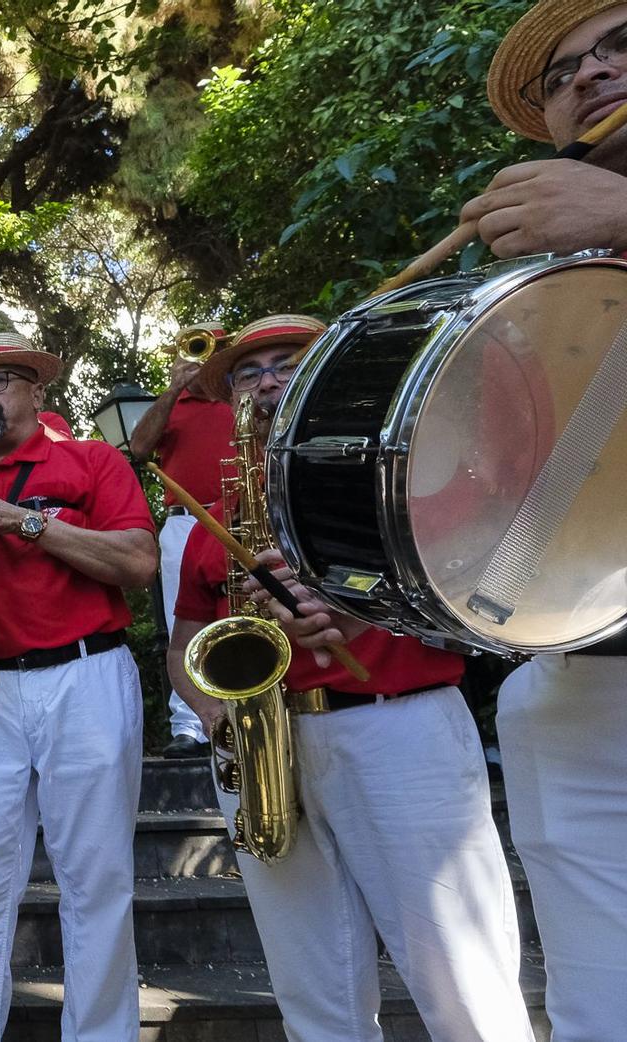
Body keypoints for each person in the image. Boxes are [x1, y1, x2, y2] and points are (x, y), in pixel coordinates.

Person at [267, 8, 627, 1036]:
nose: (589, 72)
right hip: (576, 685)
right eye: (560, 72)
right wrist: (379, 587)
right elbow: (488, 513)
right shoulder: (547, 294)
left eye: (616, 43)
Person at [167, 316, 535, 1042]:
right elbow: (183, 645)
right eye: (248, 371)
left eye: (286, 363)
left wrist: (347, 610)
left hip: (397, 727)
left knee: (464, 977)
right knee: (313, 989)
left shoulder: (405, 479)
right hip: (266, 741)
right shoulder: (217, 519)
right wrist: (215, 714)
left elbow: (475, 594)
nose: (267, 381)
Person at [0, 332, 158, 1042]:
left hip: (88, 677)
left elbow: (139, 562)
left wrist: (26, 522)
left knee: (97, 883)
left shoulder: (93, 461)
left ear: (37, 393)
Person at [128, 324, 235, 758]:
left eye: (217, 350)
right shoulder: (174, 404)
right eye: (199, 349)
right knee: (183, 622)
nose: (205, 358)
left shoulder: (240, 396)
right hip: (185, 522)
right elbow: (137, 447)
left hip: (241, 515)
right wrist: (173, 390)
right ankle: (191, 725)